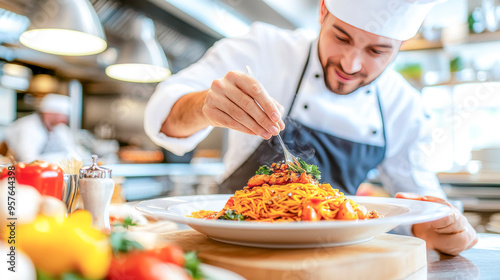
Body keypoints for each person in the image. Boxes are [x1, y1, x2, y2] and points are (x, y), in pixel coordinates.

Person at [144, 0, 477, 255]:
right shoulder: (264, 48)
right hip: (230, 246)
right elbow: (165, 115)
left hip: (338, 260)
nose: (350, 64)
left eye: (377, 50)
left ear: (402, 45)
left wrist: (441, 229)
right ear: (322, 12)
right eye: (341, 37)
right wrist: (203, 105)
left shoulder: (403, 106)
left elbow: (419, 206)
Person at [5, 93, 78, 162]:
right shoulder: (28, 127)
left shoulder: (60, 128)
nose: (66, 119)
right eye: (63, 115)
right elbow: (27, 158)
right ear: (49, 113)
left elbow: (72, 152)